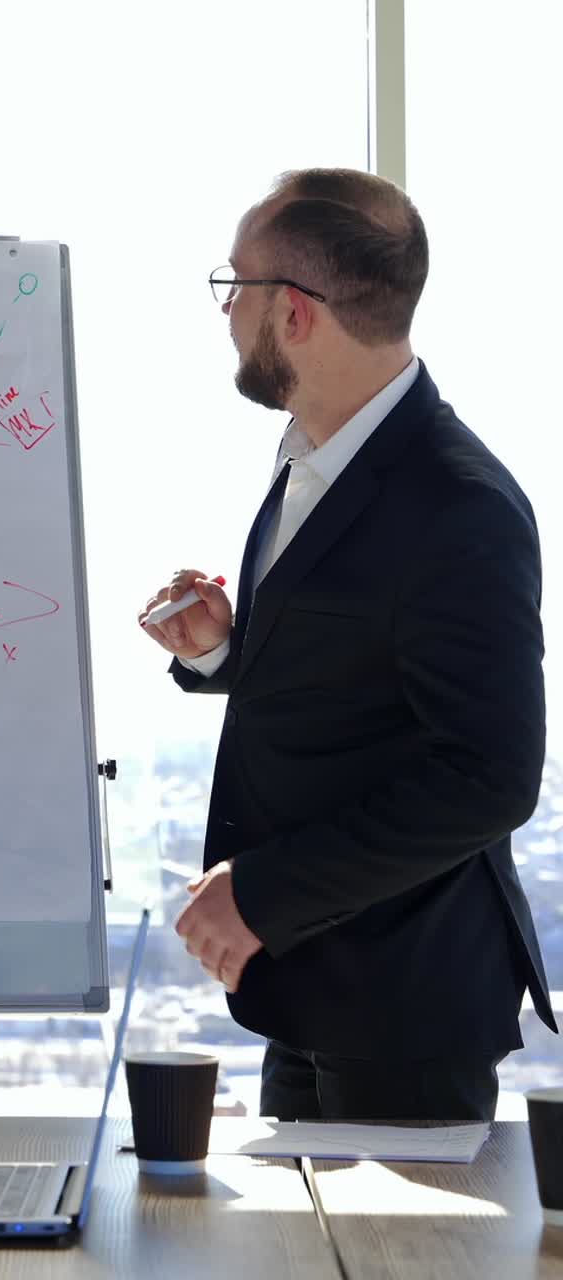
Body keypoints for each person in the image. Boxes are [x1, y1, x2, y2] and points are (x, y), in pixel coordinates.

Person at [139, 168, 555, 1121]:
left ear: (293, 313)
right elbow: (360, 684)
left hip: (405, 1004)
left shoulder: (461, 506)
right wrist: (221, 655)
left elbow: (489, 777)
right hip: (306, 983)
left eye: (233, 286)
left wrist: (261, 891)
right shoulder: (315, 454)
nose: (226, 310)